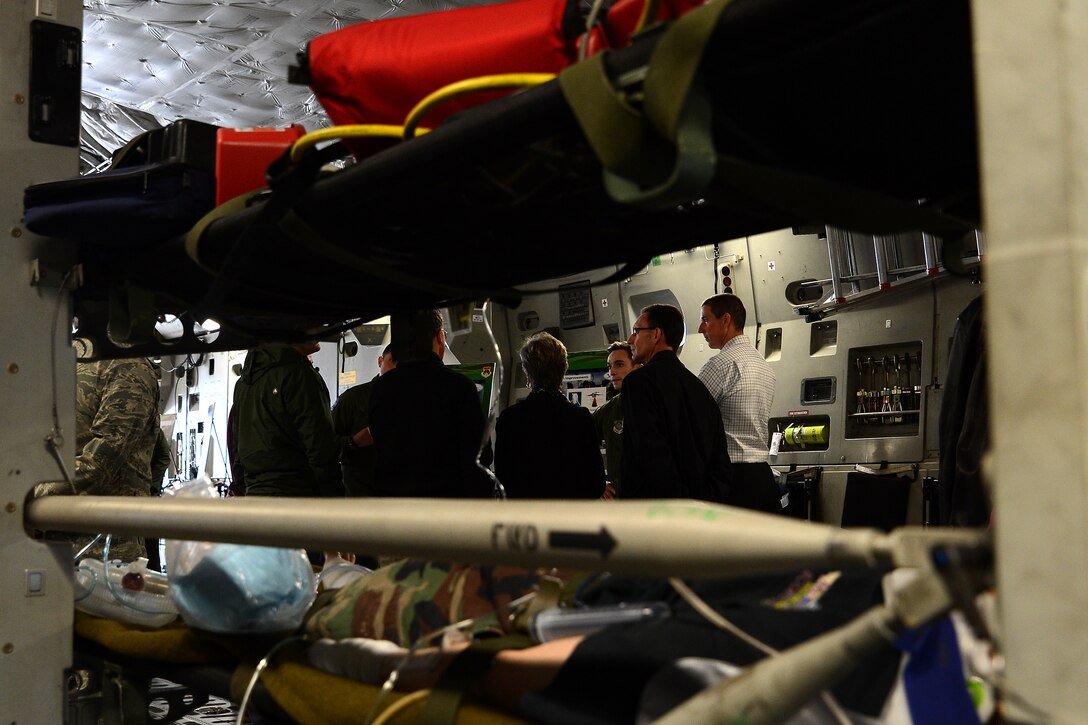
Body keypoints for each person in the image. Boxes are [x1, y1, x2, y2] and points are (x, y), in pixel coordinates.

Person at [369, 309, 493, 497]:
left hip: (394, 505)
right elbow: (478, 458)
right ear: (439, 337)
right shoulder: (460, 387)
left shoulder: (380, 388)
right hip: (445, 507)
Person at [620, 304, 732, 503]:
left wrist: (677, 502)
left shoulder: (638, 383)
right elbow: (719, 457)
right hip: (700, 509)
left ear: (656, 334)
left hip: (656, 511)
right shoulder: (698, 386)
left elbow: (649, 453)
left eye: (636, 331)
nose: (630, 339)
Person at [70, 358, 162, 561]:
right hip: (98, 544)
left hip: (103, 544)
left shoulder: (126, 368)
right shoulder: (128, 366)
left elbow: (99, 462)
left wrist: (30, 491)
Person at [697, 293, 781, 514]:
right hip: (762, 477)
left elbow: (692, 420)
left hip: (731, 479)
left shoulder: (719, 365)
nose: (700, 329)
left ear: (725, 320)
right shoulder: (764, 367)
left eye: (706, 320)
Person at [494, 332, 606, 499]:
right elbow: (596, 484)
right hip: (569, 517)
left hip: (527, 517)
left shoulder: (509, 419)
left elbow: (503, 480)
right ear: (563, 372)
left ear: (527, 373)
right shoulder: (580, 418)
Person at [229, 341, 345, 498]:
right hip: (298, 496)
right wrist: (334, 499)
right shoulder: (299, 375)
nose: (320, 332)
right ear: (290, 331)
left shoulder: (243, 384)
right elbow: (321, 449)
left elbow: (237, 451)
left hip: (255, 496)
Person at [331, 343, 398, 497]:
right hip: (360, 493)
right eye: (392, 361)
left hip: (398, 494)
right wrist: (354, 441)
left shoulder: (413, 400)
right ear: (380, 361)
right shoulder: (352, 399)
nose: (396, 369)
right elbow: (326, 446)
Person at [592, 341, 639, 496]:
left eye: (619, 365)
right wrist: (598, 483)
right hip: (620, 501)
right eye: (609, 366)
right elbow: (580, 444)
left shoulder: (654, 403)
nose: (611, 372)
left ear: (637, 367)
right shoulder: (608, 410)